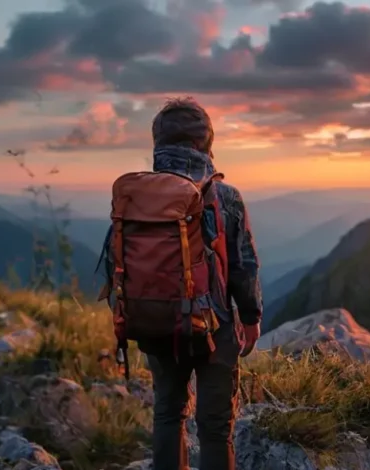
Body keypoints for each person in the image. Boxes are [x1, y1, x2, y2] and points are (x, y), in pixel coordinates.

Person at [96, 97, 263, 470]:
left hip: (157, 320)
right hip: (215, 326)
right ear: (207, 142)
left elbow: (115, 260)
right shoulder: (224, 196)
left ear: (158, 142)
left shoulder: (137, 197)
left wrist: (136, 308)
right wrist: (251, 318)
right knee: (215, 428)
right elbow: (244, 265)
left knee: (168, 413)